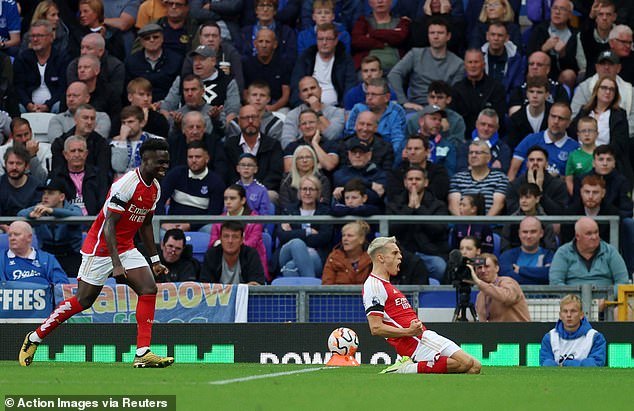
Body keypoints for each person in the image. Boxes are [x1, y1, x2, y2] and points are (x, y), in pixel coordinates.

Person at [19, 138, 175, 368]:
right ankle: (34, 337)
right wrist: (116, 264)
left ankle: (143, 352)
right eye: (160, 162)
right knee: (83, 300)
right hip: (100, 248)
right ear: (146, 160)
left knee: (148, 288)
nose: (164, 167)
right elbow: (109, 224)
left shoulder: (155, 188)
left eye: (167, 162)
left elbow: (145, 224)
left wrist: (154, 260)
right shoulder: (126, 184)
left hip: (126, 247)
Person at [362, 236, 481, 374]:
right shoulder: (374, 286)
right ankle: (404, 369)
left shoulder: (386, 285)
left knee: (475, 367)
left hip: (423, 336)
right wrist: (408, 332)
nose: (400, 257)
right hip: (415, 342)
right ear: (381, 258)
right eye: (395, 253)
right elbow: (376, 328)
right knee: (466, 363)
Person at [387, 165, 449, 282]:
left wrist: (419, 208)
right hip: (401, 253)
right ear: (405, 182)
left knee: (440, 267)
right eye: (410, 179)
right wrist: (409, 208)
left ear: (426, 182)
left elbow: (438, 230)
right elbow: (391, 229)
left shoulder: (438, 205)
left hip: (429, 253)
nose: (414, 182)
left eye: (418, 179)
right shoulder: (394, 204)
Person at [388, 17, 463, 111]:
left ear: (448, 36)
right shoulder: (415, 54)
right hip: (414, 108)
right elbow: (394, 74)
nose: (435, 36)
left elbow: (453, 96)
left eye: (440, 33)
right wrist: (403, 101)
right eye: (432, 33)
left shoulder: (458, 64)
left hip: (442, 111)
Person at [569, 75, 633, 185]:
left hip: (606, 161)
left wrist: (598, 158)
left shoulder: (619, 115)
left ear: (615, 94)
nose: (607, 92)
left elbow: (620, 144)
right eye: (604, 88)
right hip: (582, 158)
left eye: (611, 89)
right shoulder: (584, 111)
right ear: (596, 90)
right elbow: (572, 133)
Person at [17, 177, 84, 277]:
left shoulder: (72, 208)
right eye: (44, 193)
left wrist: (51, 211)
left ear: (61, 197)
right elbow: (20, 214)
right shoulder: (39, 208)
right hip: (45, 257)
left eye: (50, 193)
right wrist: (30, 215)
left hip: (71, 258)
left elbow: (78, 215)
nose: (45, 197)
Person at [156, 140, 225, 232]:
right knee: (156, 230)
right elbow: (158, 198)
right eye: (190, 157)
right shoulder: (176, 174)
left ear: (207, 158)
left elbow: (213, 214)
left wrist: (190, 225)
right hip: (172, 224)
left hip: (201, 226)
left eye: (198, 157)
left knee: (210, 229)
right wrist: (164, 222)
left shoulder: (216, 182)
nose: (193, 160)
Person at [276, 175, 333, 278]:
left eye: (311, 189)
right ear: (299, 192)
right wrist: (308, 232)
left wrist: (293, 233)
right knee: (297, 243)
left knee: (291, 266)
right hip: (287, 253)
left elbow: (325, 238)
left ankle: (294, 293)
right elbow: (282, 236)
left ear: (318, 192)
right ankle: (312, 289)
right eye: (304, 189)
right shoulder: (288, 210)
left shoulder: (326, 212)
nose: (307, 193)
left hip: (316, 254)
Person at [210, 184, 268, 281]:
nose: (228, 202)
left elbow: (250, 245)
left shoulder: (255, 220)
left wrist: (222, 243)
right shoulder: (218, 220)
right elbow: (212, 244)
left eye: (232, 198)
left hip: (250, 267)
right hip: (224, 265)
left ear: (243, 200)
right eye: (225, 199)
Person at [508, 102, 579, 181]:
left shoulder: (575, 148)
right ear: (548, 117)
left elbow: (572, 180)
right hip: (524, 188)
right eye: (553, 116)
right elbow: (512, 171)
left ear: (568, 123)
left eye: (561, 118)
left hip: (554, 190)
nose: (556, 121)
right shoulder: (530, 139)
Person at [549, 216, 629, 286]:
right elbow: (555, 283)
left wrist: (608, 299)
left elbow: (623, 282)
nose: (594, 237)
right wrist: (573, 300)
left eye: (596, 232)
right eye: (589, 234)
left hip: (607, 301)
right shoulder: (563, 252)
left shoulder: (610, 251)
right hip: (572, 301)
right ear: (577, 236)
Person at [290, 23, 355, 107]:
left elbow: (350, 87)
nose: (324, 43)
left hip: (337, 109)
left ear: (335, 41)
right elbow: (296, 86)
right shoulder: (306, 58)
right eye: (320, 39)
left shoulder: (345, 59)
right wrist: (303, 107)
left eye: (328, 39)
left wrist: (343, 108)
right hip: (308, 108)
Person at [48, 135, 110, 216]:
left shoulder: (98, 175)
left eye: (80, 151)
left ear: (86, 154)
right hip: (64, 223)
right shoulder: (56, 176)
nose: (77, 155)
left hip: (92, 222)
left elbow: (104, 203)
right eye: (73, 151)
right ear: (65, 154)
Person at [14, 20, 67, 114]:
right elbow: (19, 87)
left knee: (59, 105)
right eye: (32, 36)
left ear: (51, 37)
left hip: (53, 105)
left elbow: (63, 88)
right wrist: (28, 104)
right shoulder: (22, 58)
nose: (35, 39)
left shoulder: (62, 59)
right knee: (18, 107)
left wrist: (48, 105)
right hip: (28, 106)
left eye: (40, 36)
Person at [539, 294, 607, 367]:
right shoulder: (550, 337)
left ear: (581, 315)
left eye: (573, 311)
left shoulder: (595, 337)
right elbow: (545, 364)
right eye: (565, 311)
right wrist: (580, 364)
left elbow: (595, 365)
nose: (569, 315)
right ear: (560, 315)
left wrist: (566, 364)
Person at [124, 22, 183, 102]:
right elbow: (128, 90)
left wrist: (165, 104)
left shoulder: (176, 59)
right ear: (141, 42)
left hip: (169, 107)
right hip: (140, 107)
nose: (152, 40)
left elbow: (179, 89)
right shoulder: (131, 61)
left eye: (155, 37)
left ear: (162, 38)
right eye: (147, 38)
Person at [448, 140, 509, 215]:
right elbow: (453, 205)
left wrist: (483, 224)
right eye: (471, 153)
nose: (473, 155)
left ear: (489, 157)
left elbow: (498, 205)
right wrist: (463, 224)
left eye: (478, 153)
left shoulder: (500, 178)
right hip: (462, 224)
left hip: (490, 224)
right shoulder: (457, 178)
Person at [0, 221, 68, 286]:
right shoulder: (1, 259)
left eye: (17, 234)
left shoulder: (48, 259)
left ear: (29, 237)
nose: (12, 238)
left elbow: (62, 284)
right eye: (9, 235)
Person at [468, 252, 531, 322]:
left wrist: (478, 282)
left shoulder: (508, 282)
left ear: (497, 268)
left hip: (519, 331)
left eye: (487, 266)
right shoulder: (480, 296)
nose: (483, 270)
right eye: (479, 267)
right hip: (495, 332)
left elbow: (506, 297)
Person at [350, 0, 410, 72]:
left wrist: (372, 34)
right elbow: (357, 41)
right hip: (368, 70)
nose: (380, 1)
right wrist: (385, 41)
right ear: (369, 3)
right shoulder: (362, 21)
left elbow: (400, 37)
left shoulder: (401, 21)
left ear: (391, 1)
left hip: (396, 70)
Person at [200, 221, 265, 285]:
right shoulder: (211, 254)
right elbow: (206, 286)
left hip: (244, 295)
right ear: (220, 238)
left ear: (242, 240)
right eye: (226, 236)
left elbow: (256, 284)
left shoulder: (251, 254)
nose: (230, 241)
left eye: (235, 237)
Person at [47, 82, 112, 142]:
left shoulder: (101, 117)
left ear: (87, 98)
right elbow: (57, 143)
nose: (71, 99)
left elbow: (98, 140)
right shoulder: (57, 119)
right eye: (68, 96)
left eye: (75, 95)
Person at [499, 216, 554, 285]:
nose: (528, 236)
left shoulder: (549, 255)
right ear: (519, 234)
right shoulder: (507, 256)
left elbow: (549, 274)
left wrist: (520, 270)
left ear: (541, 233)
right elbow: (508, 279)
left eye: (533, 232)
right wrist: (539, 278)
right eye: (525, 232)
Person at [111, 105, 164, 177]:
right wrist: (122, 140)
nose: (126, 126)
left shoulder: (156, 142)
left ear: (142, 123)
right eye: (123, 123)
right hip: (123, 185)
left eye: (130, 122)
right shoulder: (116, 143)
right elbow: (119, 167)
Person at [278, 145, 331, 211]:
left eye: (308, 157)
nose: (304, 160)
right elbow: (284, 206)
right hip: (292, 218)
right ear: (295, 162)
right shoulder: (287, 181)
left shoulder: (322, 180)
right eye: (300, 158)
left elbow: (324, 204)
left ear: (314, 160)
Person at [507, 75, 551, 151]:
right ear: (527, 94)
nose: (535, 96)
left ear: (547, 95)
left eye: (539, 92)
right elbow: (514, 148)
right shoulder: (516, 119)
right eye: (531, 91)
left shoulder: (554, 115)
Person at [322, 220, 372, 285]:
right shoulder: (333, 257)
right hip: (338, 295)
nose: (345, 239)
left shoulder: (372, 259)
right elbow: (327, 285)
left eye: (350, 236)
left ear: (361, 239)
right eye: (343, 235)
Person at [0, 146, 42, 218]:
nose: (14, 167)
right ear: (5, 164)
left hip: (29, 227)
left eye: (19, 163)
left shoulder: (36, 186)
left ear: (26, 166)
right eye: (11, 163)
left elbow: (36, 215)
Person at [565, 117, 598, 195]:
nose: (587, 134)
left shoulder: (602, 154)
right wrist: (575, 195)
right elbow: (569, 179)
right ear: (578, 135)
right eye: (583, 131)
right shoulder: (573, 155)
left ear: (597, 134)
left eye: (590, 130)